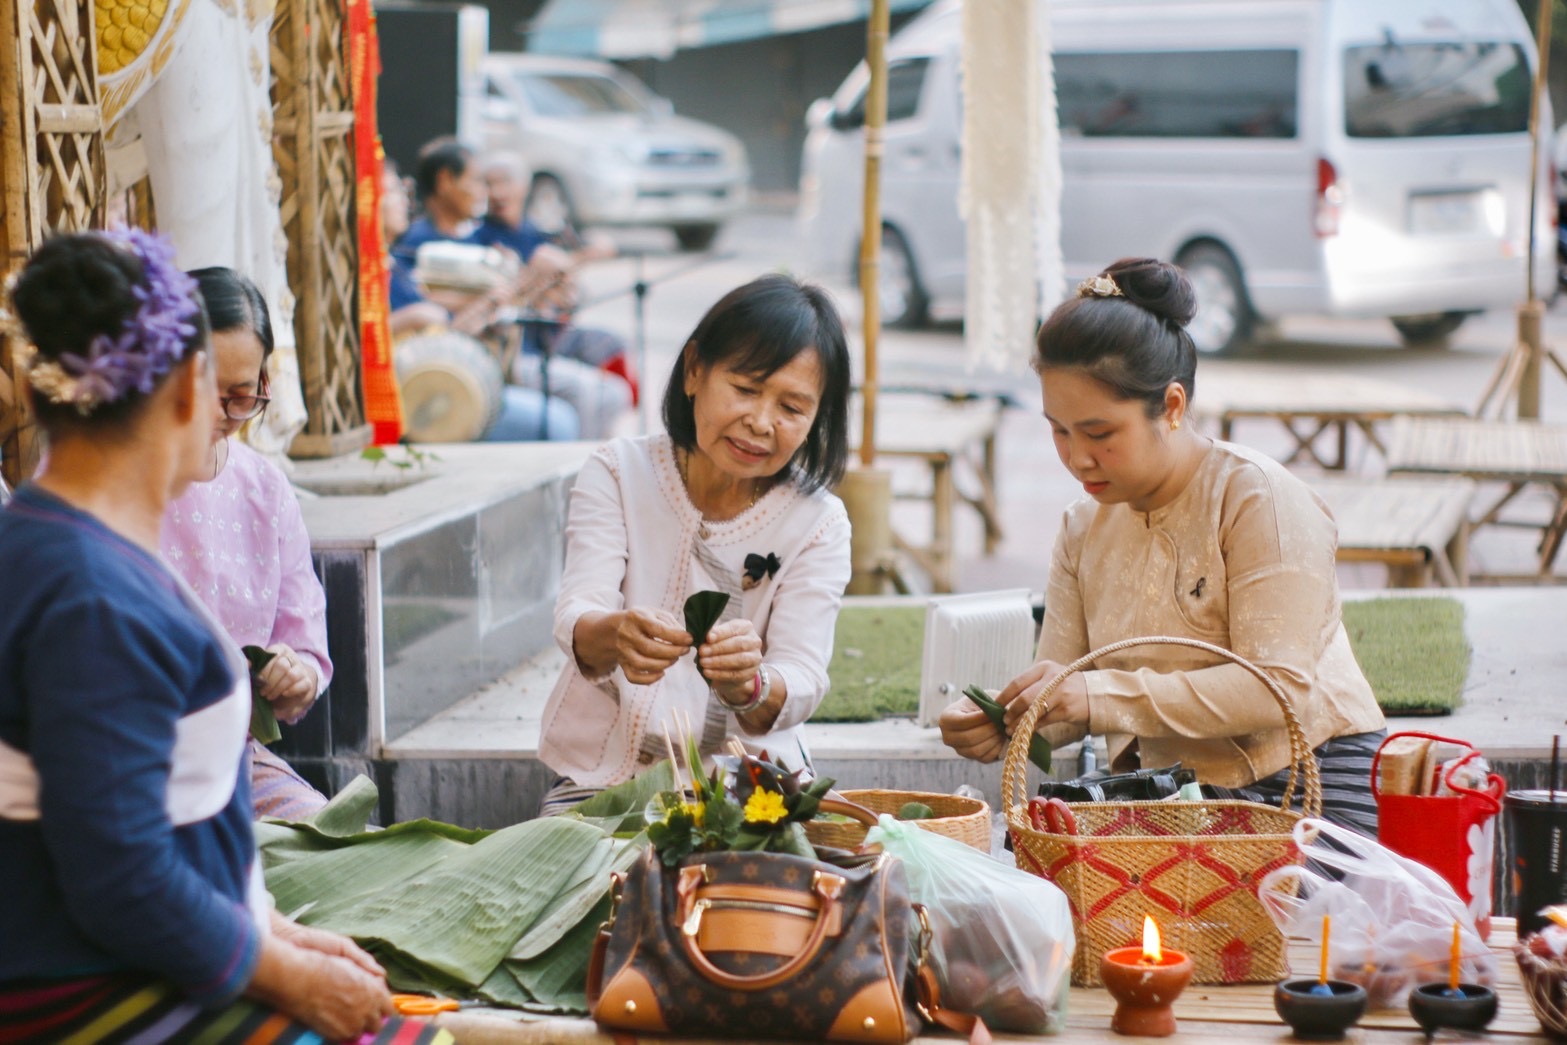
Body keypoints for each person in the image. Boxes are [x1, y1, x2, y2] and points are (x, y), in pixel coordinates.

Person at [0, 229, 447, 1042]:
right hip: (82, 992)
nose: (229, 419)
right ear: (186, 392)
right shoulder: (91, 596)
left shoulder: (55, 546)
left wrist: (275, 932)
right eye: (220, 392)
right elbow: (122, 879)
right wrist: (293, 977)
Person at [938, 258, 1386, 835]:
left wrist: (1095, 695)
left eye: (1100, 434)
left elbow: (1279, 691)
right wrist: (1002, 722)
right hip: (1174, 803)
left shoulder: (1257, 499)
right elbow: (1067, 693)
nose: (1077, 458)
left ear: (1172, 407)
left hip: (1310, 785)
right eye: (1059, 430)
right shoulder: (1083, 527)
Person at [537, 274, 853, 813]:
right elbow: (579, 614)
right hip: (605, 779)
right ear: (693, 372)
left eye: (792, 408)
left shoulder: (819, 521)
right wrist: (617, 634)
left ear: (817, 418)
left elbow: (801, 675)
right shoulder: (618, 471)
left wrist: (749, 685)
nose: (760, 422)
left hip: (753, 792)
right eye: (746, 389)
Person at [161, 267, 332, 820]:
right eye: (205, 393)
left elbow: (303, 647)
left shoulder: (264, 488)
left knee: (330, 841)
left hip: (236, 761)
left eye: (241, 397)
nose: (219, 415)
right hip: (135, 766)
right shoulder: (110, 482)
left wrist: (294, 673)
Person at [394, 138, 631, 439]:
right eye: (478, 182)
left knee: (611, 391)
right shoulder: (421, 245)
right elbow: (449, 310)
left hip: (502, 348)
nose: (486, 193)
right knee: (579, 398)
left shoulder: (471, 238)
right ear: (445, 181)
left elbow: (497, 296)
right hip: (471, 364)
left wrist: (543, 287)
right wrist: (522, 283)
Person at [383, 157, 580, 441]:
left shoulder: (395, 265)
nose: (404, 199)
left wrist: (518, 292)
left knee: (577, 404)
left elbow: (450, 331)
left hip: (461, 370)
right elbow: (439, 331)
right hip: (427, 393)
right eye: (392, 191)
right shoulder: (416, 249)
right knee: (561, 421)